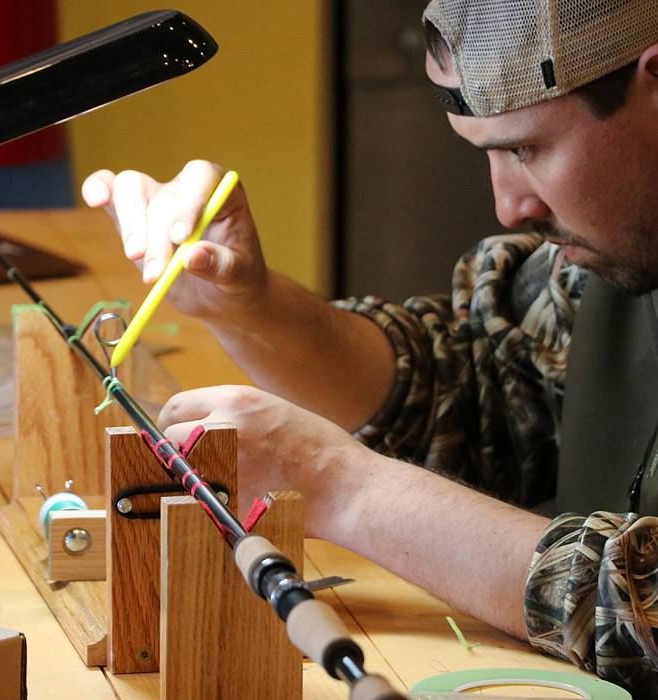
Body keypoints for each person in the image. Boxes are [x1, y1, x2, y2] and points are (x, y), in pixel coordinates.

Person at [82, 1, 658, 695]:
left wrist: (335, 479)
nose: (509, 207)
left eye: (525, 149)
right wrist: (248, 305)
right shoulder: (608, 256)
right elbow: (480, 389)